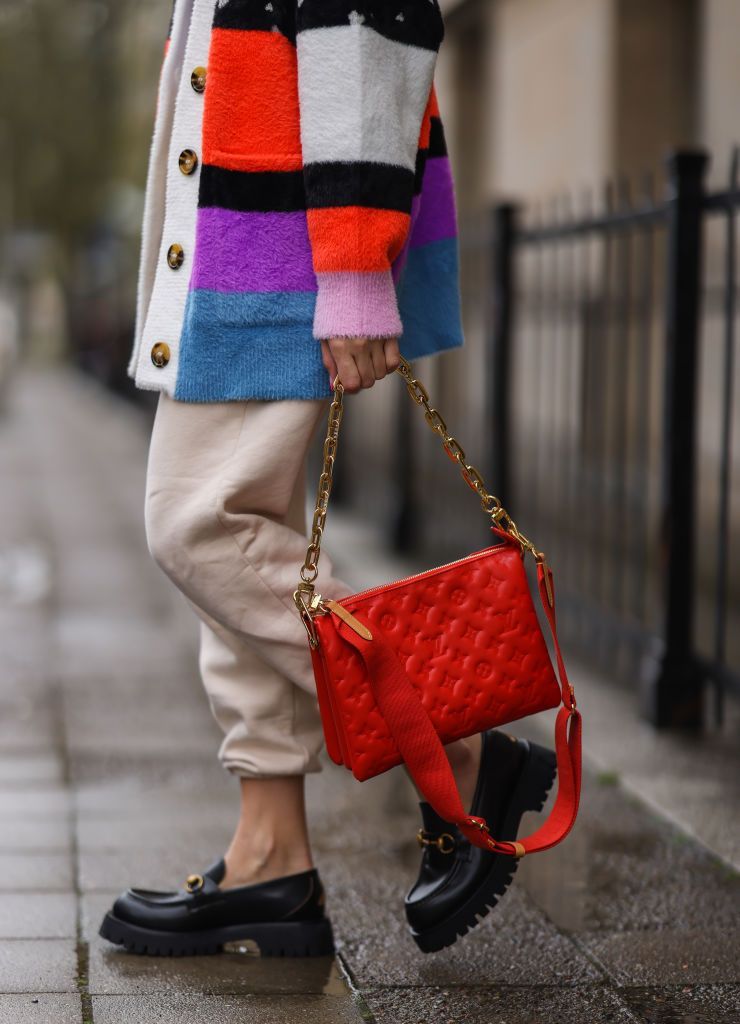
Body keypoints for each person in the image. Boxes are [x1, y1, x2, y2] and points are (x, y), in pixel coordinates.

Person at [99, 0, 556, 958]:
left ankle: (454, 746)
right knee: (247, 524)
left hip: (284, 242)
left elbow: (365, 25)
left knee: (200, 525)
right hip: (250, 234)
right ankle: (270, 852)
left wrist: (353, 265)